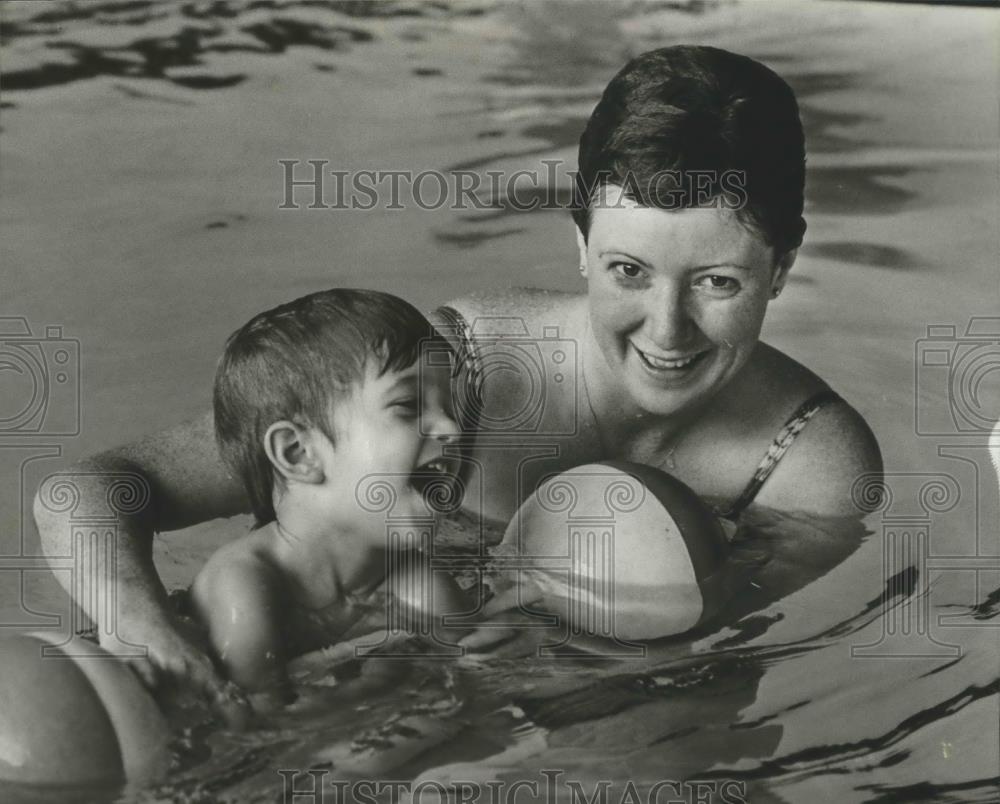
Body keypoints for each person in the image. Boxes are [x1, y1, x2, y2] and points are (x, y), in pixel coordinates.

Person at [34, 45, 881, 714]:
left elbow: (702, 657)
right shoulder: (451, 376)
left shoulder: (809, 466)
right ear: (580, 243)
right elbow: (88, 493)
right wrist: (150, 635)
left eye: (718, 283)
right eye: (627, 270)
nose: (666, 330)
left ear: (783, 266)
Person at [189, 289, 464, 707]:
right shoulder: (244, 590)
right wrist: (388, 683)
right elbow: (262, 739)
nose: (452, 428)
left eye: (450, 405)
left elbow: (477, 686)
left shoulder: (418, 584)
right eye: (409, 405)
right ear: (298, 454)